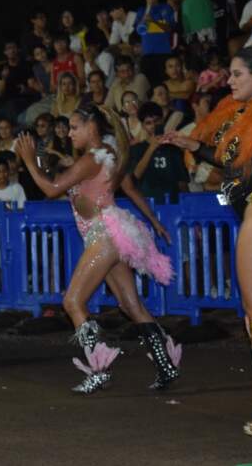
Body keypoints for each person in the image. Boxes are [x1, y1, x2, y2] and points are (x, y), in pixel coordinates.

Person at [163, 47, 252, 436]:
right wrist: (195, 148)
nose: (231, 80)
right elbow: (236, 162)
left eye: (239, 74)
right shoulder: (249, 117)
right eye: (230, 74)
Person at [16, 104, 179, 394]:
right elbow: (128, 186)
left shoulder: (93, 158)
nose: (70, 133)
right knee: (131, 305)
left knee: (73, 302)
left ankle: (99, 370)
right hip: (111, 232)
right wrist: (154, 221)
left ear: (92, 127)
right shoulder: (106, 155)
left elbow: (52, 189)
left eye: (75, 127)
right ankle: (165, 365)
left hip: (103, 235)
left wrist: (29, 161)